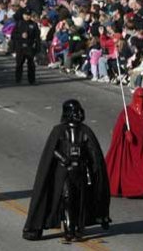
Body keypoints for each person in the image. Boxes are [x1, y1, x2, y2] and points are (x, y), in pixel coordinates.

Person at [23, 100, 110, 241]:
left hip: (80, 171)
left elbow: (93, 152)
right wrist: (63, 158)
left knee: (80, 200)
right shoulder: (59, 131)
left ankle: (78, 227)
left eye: (79, 111)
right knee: (67, 199)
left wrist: (92, 166)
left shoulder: (85, 131)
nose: (78, 114)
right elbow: (52, 150)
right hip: (64, 172)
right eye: (75, 111)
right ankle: (69, 229)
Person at [105, 87, 143, 200]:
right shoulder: (127, 112)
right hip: (130, 147)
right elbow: (120, 128)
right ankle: (140, 189)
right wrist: (126, 132)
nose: (141, 100)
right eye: (139, 98)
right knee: (131, 170)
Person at [13, 9, 40, 85]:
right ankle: (18, 79)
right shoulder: (19, 24)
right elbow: (13, 35)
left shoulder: (34, 25)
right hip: (20, 46)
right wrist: (20, 35)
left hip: (29, 47)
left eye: (28, 15)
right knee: (19, 63)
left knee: (31, 64)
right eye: (26, 15)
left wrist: (38, 47)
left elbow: (37, 37)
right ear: (23, 15)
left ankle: (32, 80)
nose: (27, 16)